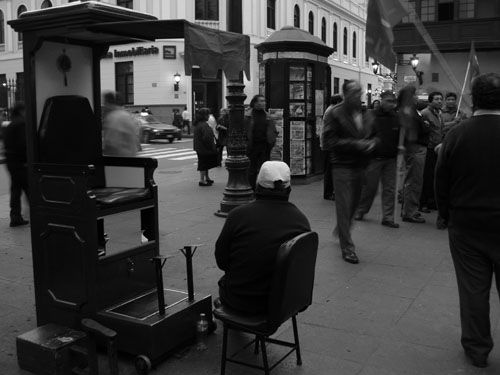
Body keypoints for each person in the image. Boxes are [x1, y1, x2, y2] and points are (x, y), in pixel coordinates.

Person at [435, 73, 500, 369]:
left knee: (473, 289)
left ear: (474, 99)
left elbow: (441, 180)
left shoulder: (458, 134)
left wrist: (445, 213)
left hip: (468, 223)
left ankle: (477, 348)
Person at [215, 161, 310, 314]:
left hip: (240, 301)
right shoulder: (301, 220)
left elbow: (222, 261)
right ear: (289, 189)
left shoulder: (238, 216)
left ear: (257, 186)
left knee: (224, 283)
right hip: (285, 304)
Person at [322, 80, 376, 264]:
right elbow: (329, 141)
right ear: (345, 94)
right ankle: (348, 247)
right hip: (342, 165)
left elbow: (374, 134)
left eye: (359, 92)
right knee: (344, 206)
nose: (357, 95)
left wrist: (373, 143)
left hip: (360, 165)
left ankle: (342, 226)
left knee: (353, 205)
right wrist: (357, 145)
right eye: (353, 92)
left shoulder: (367, 113)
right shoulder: (335, 113)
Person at [354, 91, 400, 228]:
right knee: (370, 188)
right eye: (388, 101)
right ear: (381, 100)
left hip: (391, 158)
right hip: (374, 158)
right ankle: (361, 210)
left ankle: (388, 217)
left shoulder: (396, 117)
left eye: (393, 101)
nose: (391, 104)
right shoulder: (371, 115)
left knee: (390, 189)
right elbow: (363, 134)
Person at [399, 85, 429, 224]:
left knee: (412, 180)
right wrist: (426, 126)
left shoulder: (412, 111)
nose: (417, 97)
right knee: (414, 181)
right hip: (415, 149)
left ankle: (408, 209)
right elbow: (412, 132)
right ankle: (409, 212)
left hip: (415, 148)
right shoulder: (409, 112)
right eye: (414, 95)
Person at [3, 102, 29, 227]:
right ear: (21, 111)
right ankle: (38, 214)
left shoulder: (10, 124)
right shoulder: (21, 124)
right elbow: (23, 144)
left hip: (11, 162)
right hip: (20, 163)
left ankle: (15, 217)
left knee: (15, 190)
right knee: (30, 190)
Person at [245, 95, 278, 190]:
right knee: (252, 169)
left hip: (265, 145)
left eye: (264, 101)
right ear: (255, 103)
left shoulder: (267, 115)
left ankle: (263, 188)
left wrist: (271, 141)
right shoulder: (248, 115)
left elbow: (272, 130)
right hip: (253, 146)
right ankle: (251, 188)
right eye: (261, 101)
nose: (264, 103)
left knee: (265, 169)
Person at [419, 91, 443, 212]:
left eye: (440, 99)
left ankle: (430, 201)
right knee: (426, 176)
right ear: (430, 101)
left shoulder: (439, 113)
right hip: (428, 148)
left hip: (437, 149)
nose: (439, 101)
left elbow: (440, 129)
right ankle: (422, 202)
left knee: (434, 176)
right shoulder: (425, 113)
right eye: (436, 99)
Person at [102, 91, 139, 156]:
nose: (104, 106)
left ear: (110, 103)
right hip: (131, 158)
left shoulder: (114, 117)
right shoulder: (127, 115)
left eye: (105, 103)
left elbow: (111, 145)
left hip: (118, 161)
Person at [321, 95, 342, 201]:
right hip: (329, 146)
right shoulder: (331, 112)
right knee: (329, 171)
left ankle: (329, 192)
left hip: (328, 145)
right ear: (338, 102)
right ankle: (328, 193)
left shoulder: (330, 110)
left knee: (330, 170)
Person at [193, 108, 217, 186]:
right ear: (204, 116)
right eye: (207, 114)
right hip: (203, 147)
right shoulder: (203, 125)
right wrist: (212, 146)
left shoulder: (199, 124)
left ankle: (206, 178)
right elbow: (207, 138)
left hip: (200, 147)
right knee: (203, 163)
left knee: (205, 163)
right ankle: (202, 180)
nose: (208, 116)